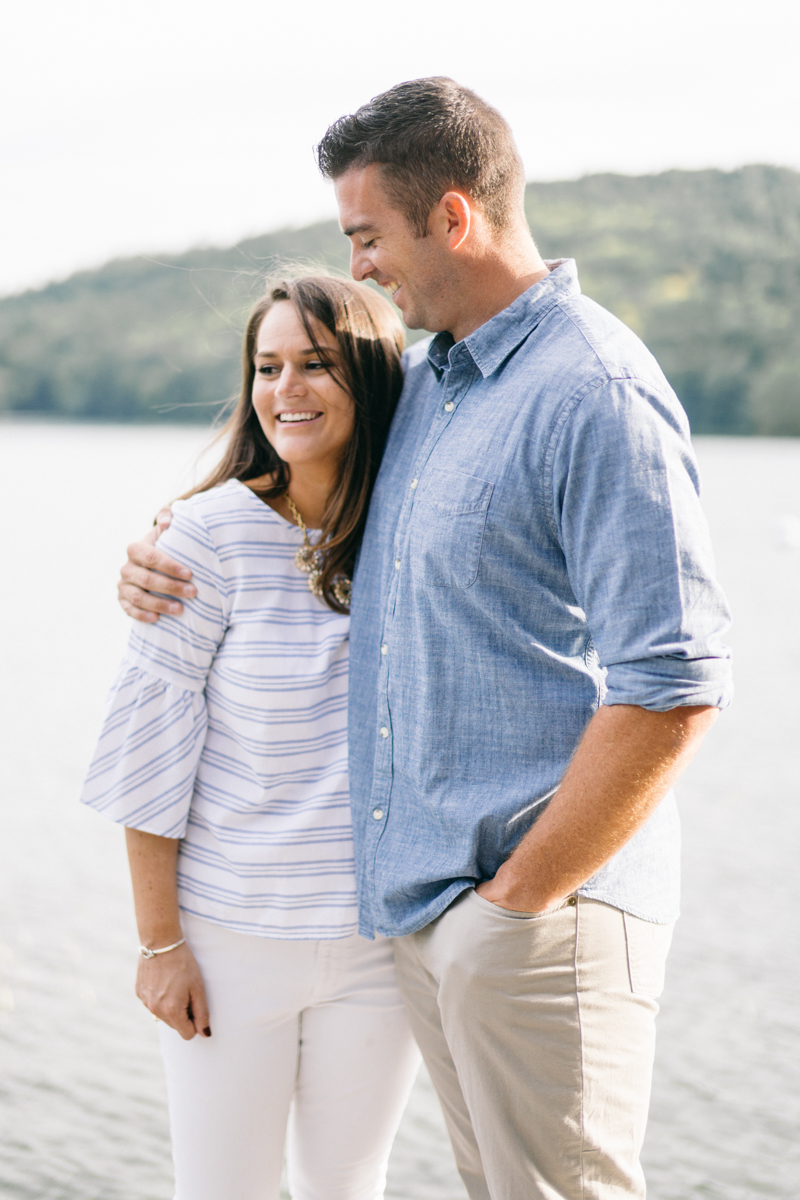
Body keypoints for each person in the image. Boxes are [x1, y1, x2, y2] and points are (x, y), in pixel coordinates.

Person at [118, 79, 733, 1200]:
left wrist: (513, 907)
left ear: (452, 218)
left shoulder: (588, 388)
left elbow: (672, 680)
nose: (358, 265)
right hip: (436, 921)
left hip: (539, 916)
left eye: (366, 236)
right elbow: (301, 458)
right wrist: (170, 543)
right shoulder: (437, 386)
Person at [82, 273, 421, 1200]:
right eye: (268, 367)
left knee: (348, 1188)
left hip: (377, 948)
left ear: (373, 377)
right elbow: (152, 756)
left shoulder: (412, 530)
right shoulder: (203, 537)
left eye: (317, 364)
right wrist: (159, 948)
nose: (286, 390)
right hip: (230, 945)